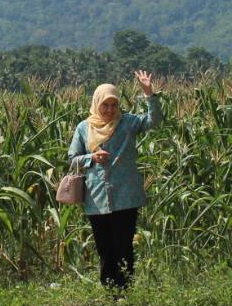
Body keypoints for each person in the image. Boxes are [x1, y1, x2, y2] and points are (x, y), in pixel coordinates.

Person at [66, 70, 162, 289]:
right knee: (105, 249)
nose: (110, 110)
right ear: (96, 104)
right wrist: (92, 157)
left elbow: (154, 122)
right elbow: (73, 160)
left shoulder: (128, 123)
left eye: (114, 105)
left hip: (125, 197)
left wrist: (149, 94)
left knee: (124, 247)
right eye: (105, 105)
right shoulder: (84, 128)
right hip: (96, 199)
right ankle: (109, 295)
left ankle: (125, 293)